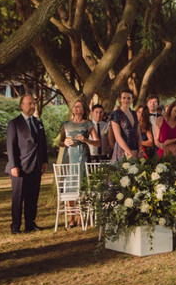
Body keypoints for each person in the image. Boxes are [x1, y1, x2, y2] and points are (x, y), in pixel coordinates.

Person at [5, 95, 48, 234]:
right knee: (18, 197)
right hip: (20, 167)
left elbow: (42, 143)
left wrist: (44, 161)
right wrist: (13, 166)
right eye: (29, 103)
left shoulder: (37, 122)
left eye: (33, 103)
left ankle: (30, 224)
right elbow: (10, 146)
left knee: (32, 196)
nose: (32, 106)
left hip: (36, 165)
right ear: (21, 105)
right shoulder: (15, 123)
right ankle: (15, 226)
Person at [59, 99, 100, 227]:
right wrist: (65, 143)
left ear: (83, 110)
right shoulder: (66, 124)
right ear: (72, 109)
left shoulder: (88, 124)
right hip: (69, 157)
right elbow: (60, 142)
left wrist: (86, 140)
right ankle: (71, 217)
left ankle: (80, 215)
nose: (77, 109)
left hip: (83, 157)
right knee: (70, 186)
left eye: (79, 107)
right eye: (75, 106)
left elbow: (97, 142)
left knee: (82, 186)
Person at [109, 89, 139, 162]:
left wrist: (140, 149)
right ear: (120, 99)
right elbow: (118, 137)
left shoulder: (134, 113)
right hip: (122, 150)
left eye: (129, 98)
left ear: (132, 99)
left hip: (135, 149)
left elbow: (138, 134)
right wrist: (130, 153)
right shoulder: (116, 114)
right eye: (124, 98)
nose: (126, 100)